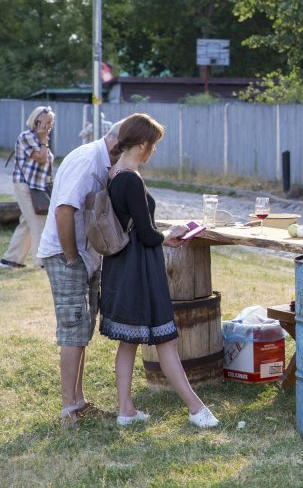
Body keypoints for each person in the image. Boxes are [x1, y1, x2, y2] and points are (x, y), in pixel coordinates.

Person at [99, 113, 219, 427]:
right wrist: (171, 233)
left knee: (130, 341)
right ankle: (196, 410)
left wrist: (160, 233)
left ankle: (126, 410)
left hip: (122, 266)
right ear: (142, 143)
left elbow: (136, 227)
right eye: (153, 144)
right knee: (166, 340)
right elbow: (148, 234)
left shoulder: (114, 173)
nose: (154, 150)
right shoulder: (131, 179)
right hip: (140, 269)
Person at [36, 119, 124, 425]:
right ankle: (67, 410)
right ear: (118, 147)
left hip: (85, 256)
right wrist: (73, 259)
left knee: (82, 329)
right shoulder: (88, 162)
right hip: (66, 254)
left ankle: (79, 400)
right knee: (73, 330)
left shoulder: (103, 161)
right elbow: (63, 211)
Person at [2, 106, 55, 269]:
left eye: (51, 123)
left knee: (28, 221)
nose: (49, 126)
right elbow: (40, 158)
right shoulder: (27, 137)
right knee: (38, 222)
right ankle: (41, 262)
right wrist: (44, 140)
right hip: (25, 184)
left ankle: (12, 259)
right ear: (36, 121)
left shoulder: (41, 139)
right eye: (47, 122)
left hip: (37, 186)